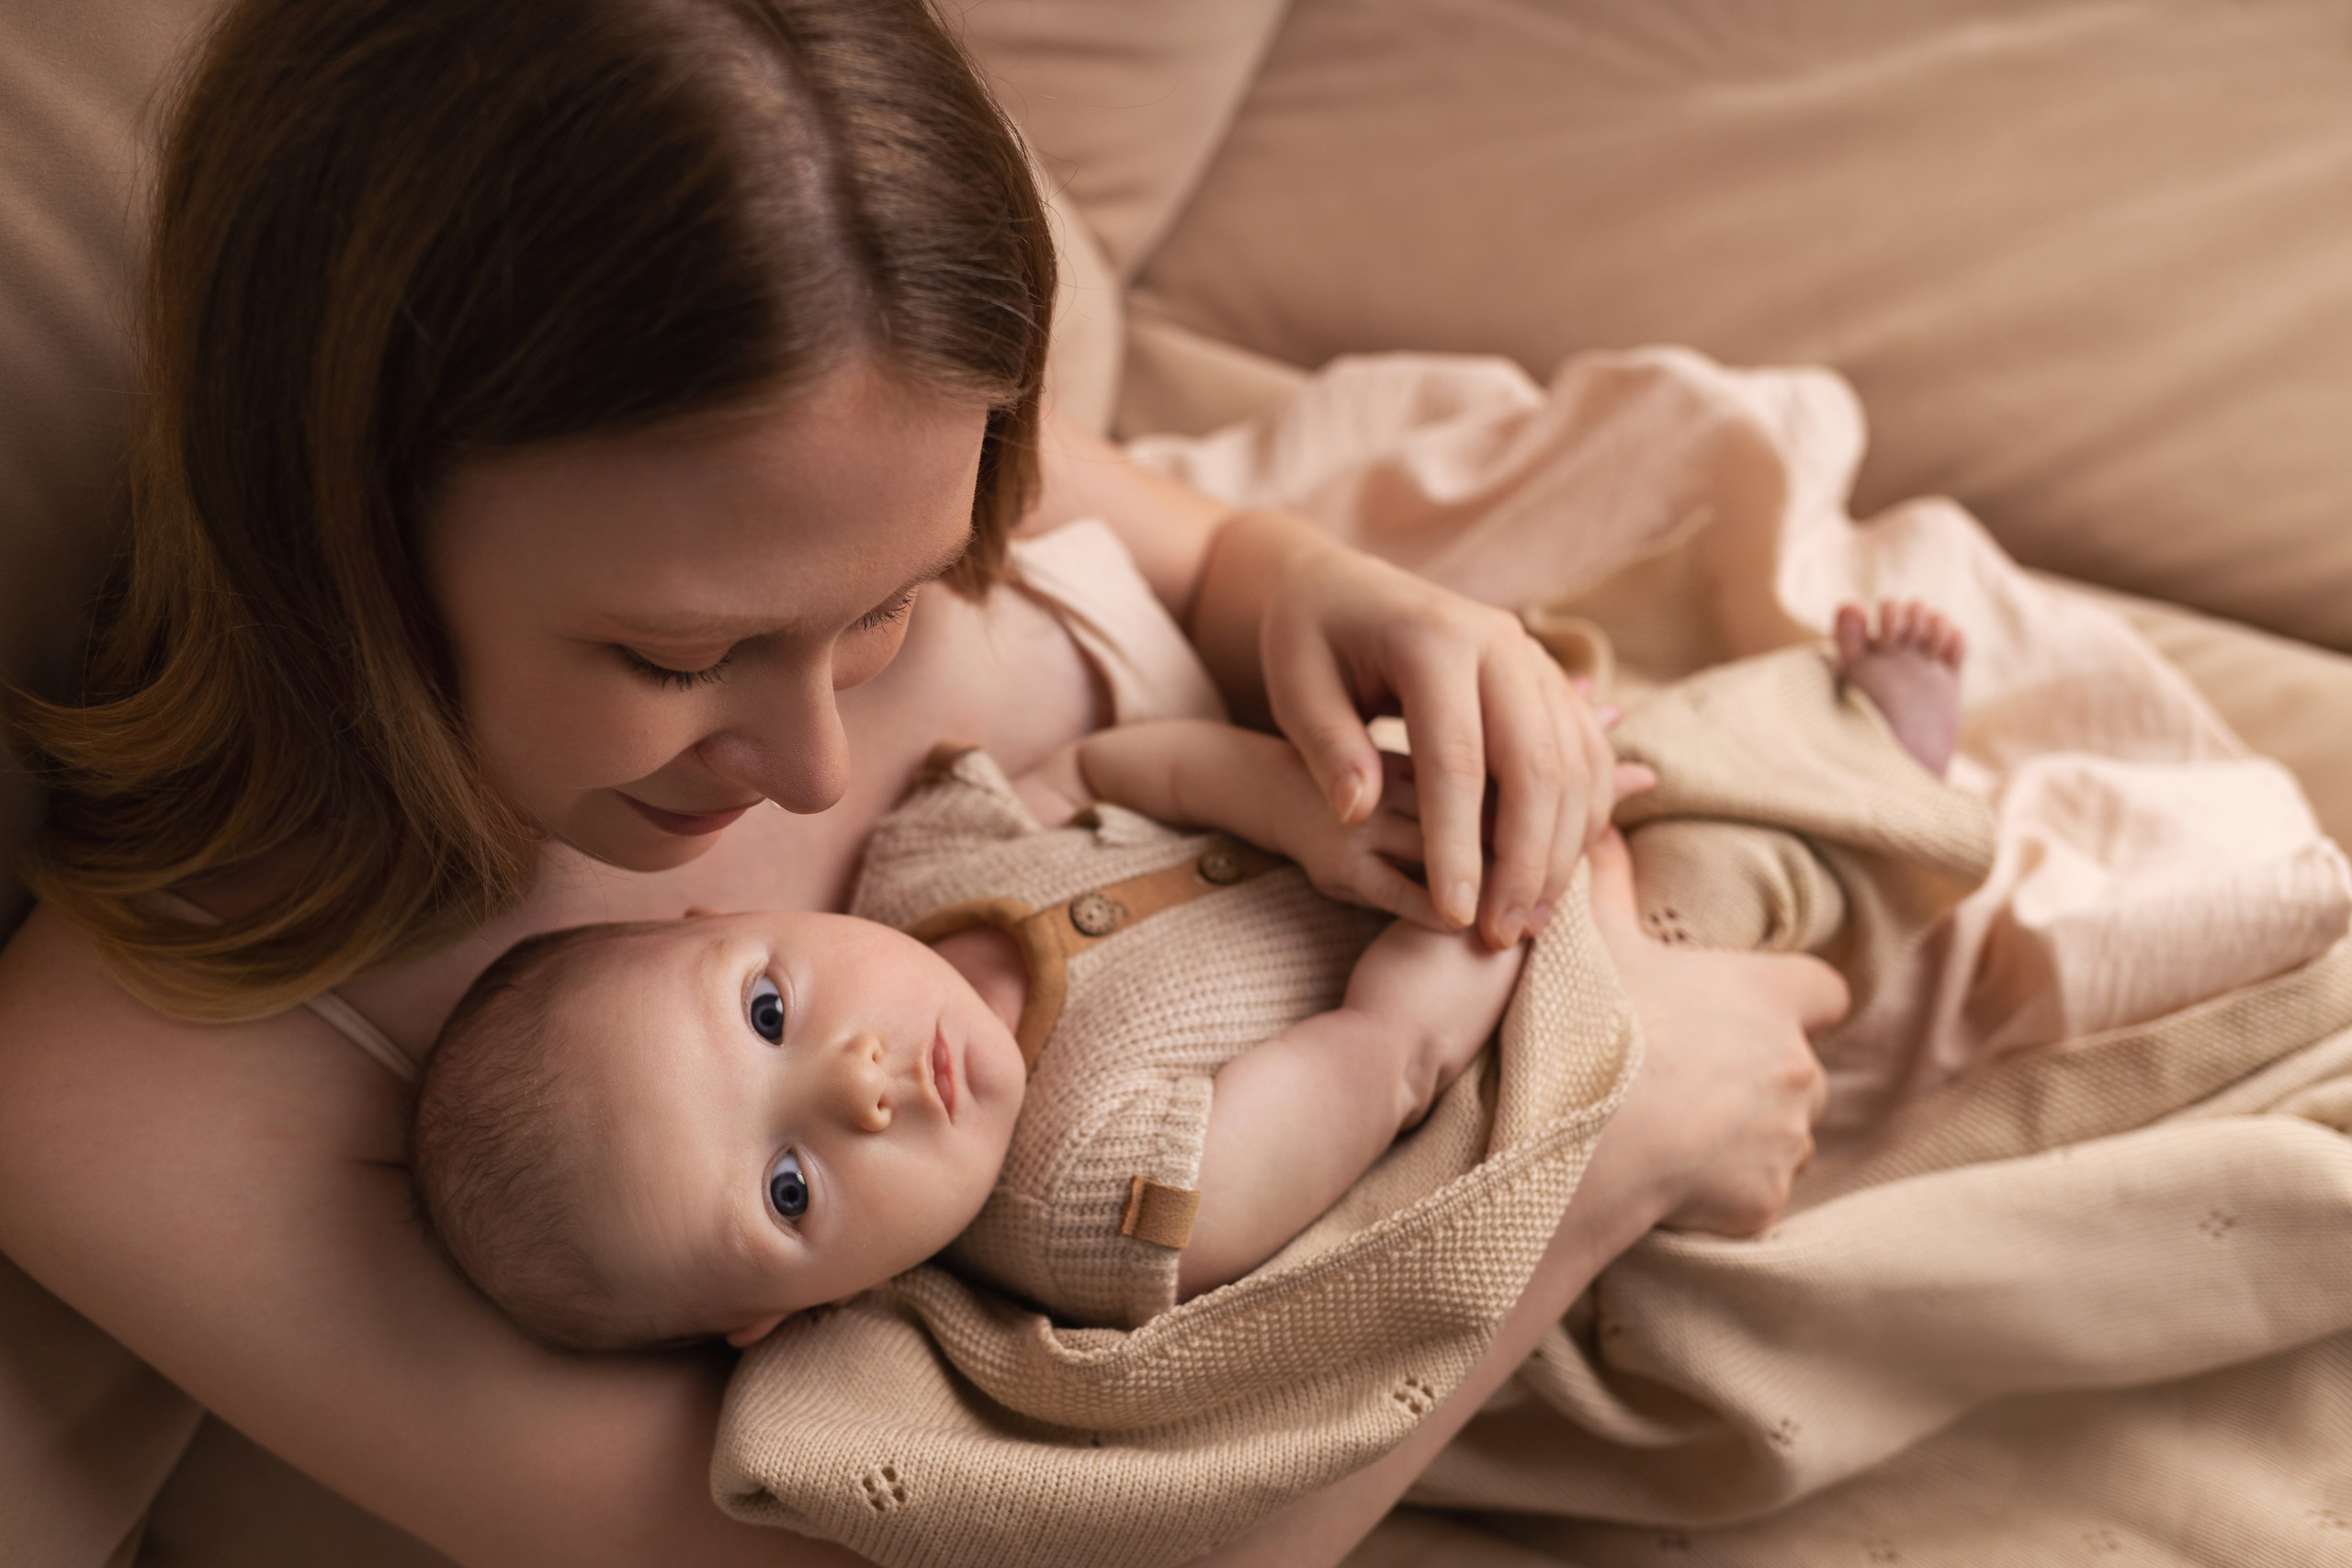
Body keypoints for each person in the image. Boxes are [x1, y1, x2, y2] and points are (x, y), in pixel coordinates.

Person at [0, 1, 1843, 1563]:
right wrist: (1606, 1138)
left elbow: (1207, 556)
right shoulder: (129, 1085)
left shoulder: (840, 384)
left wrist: (1340, 598)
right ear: (336, 528)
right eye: (671, 656)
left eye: (886, 605)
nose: (807, 759)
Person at [410, 603, 1966, 1356]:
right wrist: (1494, 890)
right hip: (1492, 973)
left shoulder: (918, 863)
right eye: (796, 1190)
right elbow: (1387, 1064)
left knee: (1562, 713)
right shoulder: (1097, 1208)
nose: (862, 1082)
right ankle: (1885, 790)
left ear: (709, 921)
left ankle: (1786, 716)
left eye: (767, 1014)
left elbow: (1101, 762)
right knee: (1712, 867)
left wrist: (1298, 801)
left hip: (1366, 840)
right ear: (782, 1316)